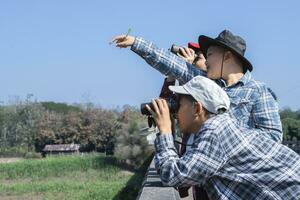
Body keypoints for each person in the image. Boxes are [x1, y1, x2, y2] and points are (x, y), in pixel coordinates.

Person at [111, 30, 283, 143]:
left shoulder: (259, 92)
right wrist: (135, 42)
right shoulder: (206, 84)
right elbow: (171, 63)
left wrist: (229, 134)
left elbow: (273, 138)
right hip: (205, 179)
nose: (205, 61)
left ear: (227, 56)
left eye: (209, 55)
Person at [146, 76, 300, 200]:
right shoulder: (223, 125)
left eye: (178, 104)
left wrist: (165, 131)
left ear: (197, 108)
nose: (174, 111)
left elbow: (171, 174)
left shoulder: (215, 131)